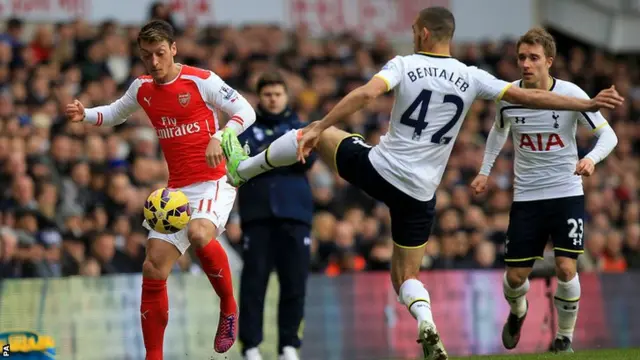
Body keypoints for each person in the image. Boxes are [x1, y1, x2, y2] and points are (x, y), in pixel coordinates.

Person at [219, 7, 624, 360]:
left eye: (415, 28)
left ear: (423, 33)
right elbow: (531, 99)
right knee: (407, 275)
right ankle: (426, 322)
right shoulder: (472, 77)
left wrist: (322, 124)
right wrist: (585, 103)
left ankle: (245, 169)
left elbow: (364, 94)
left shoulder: (404, 64)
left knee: (320, 134)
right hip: (421, 195)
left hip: (383, 171)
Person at [64, 20, 256, 359]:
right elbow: (115, 113)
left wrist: (220, 135)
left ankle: (228, 306)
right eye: (146, 55)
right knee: (153, 267)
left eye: (160, 54)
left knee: (199, 233)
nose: (154, 62)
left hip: (215, 180)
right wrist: (86, 114)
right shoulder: (142, 88)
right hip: (178, 190)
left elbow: (246, 110)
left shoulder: (202, 80)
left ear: (174, 49)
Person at [470, 27, 618, 353]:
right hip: (527, 197)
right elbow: (498, 132)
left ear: (548, 61)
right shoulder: (509, 97)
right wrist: (484, 172)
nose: (525, 63)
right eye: (522, 57)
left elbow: (609, 136)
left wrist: (591, 160)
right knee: (514, 278)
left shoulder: (571, 94)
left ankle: (564, 337)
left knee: (567, 267)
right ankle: (518, 311)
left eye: (533, 57)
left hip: (566, 192)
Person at [237, 72, 315, 360]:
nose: (272, 99)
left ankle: (288, 345)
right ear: (259, 97)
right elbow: (239, 160)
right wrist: (282, 154)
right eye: (267, 94)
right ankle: (251, 346)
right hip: (257, 214)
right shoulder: (245, 125)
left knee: (294, 283)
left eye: (277, 94)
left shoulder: (300, 126)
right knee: (254, 282)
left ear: (286, 96)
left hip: (295, 214)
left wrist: (263, 159)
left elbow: (308, 158)